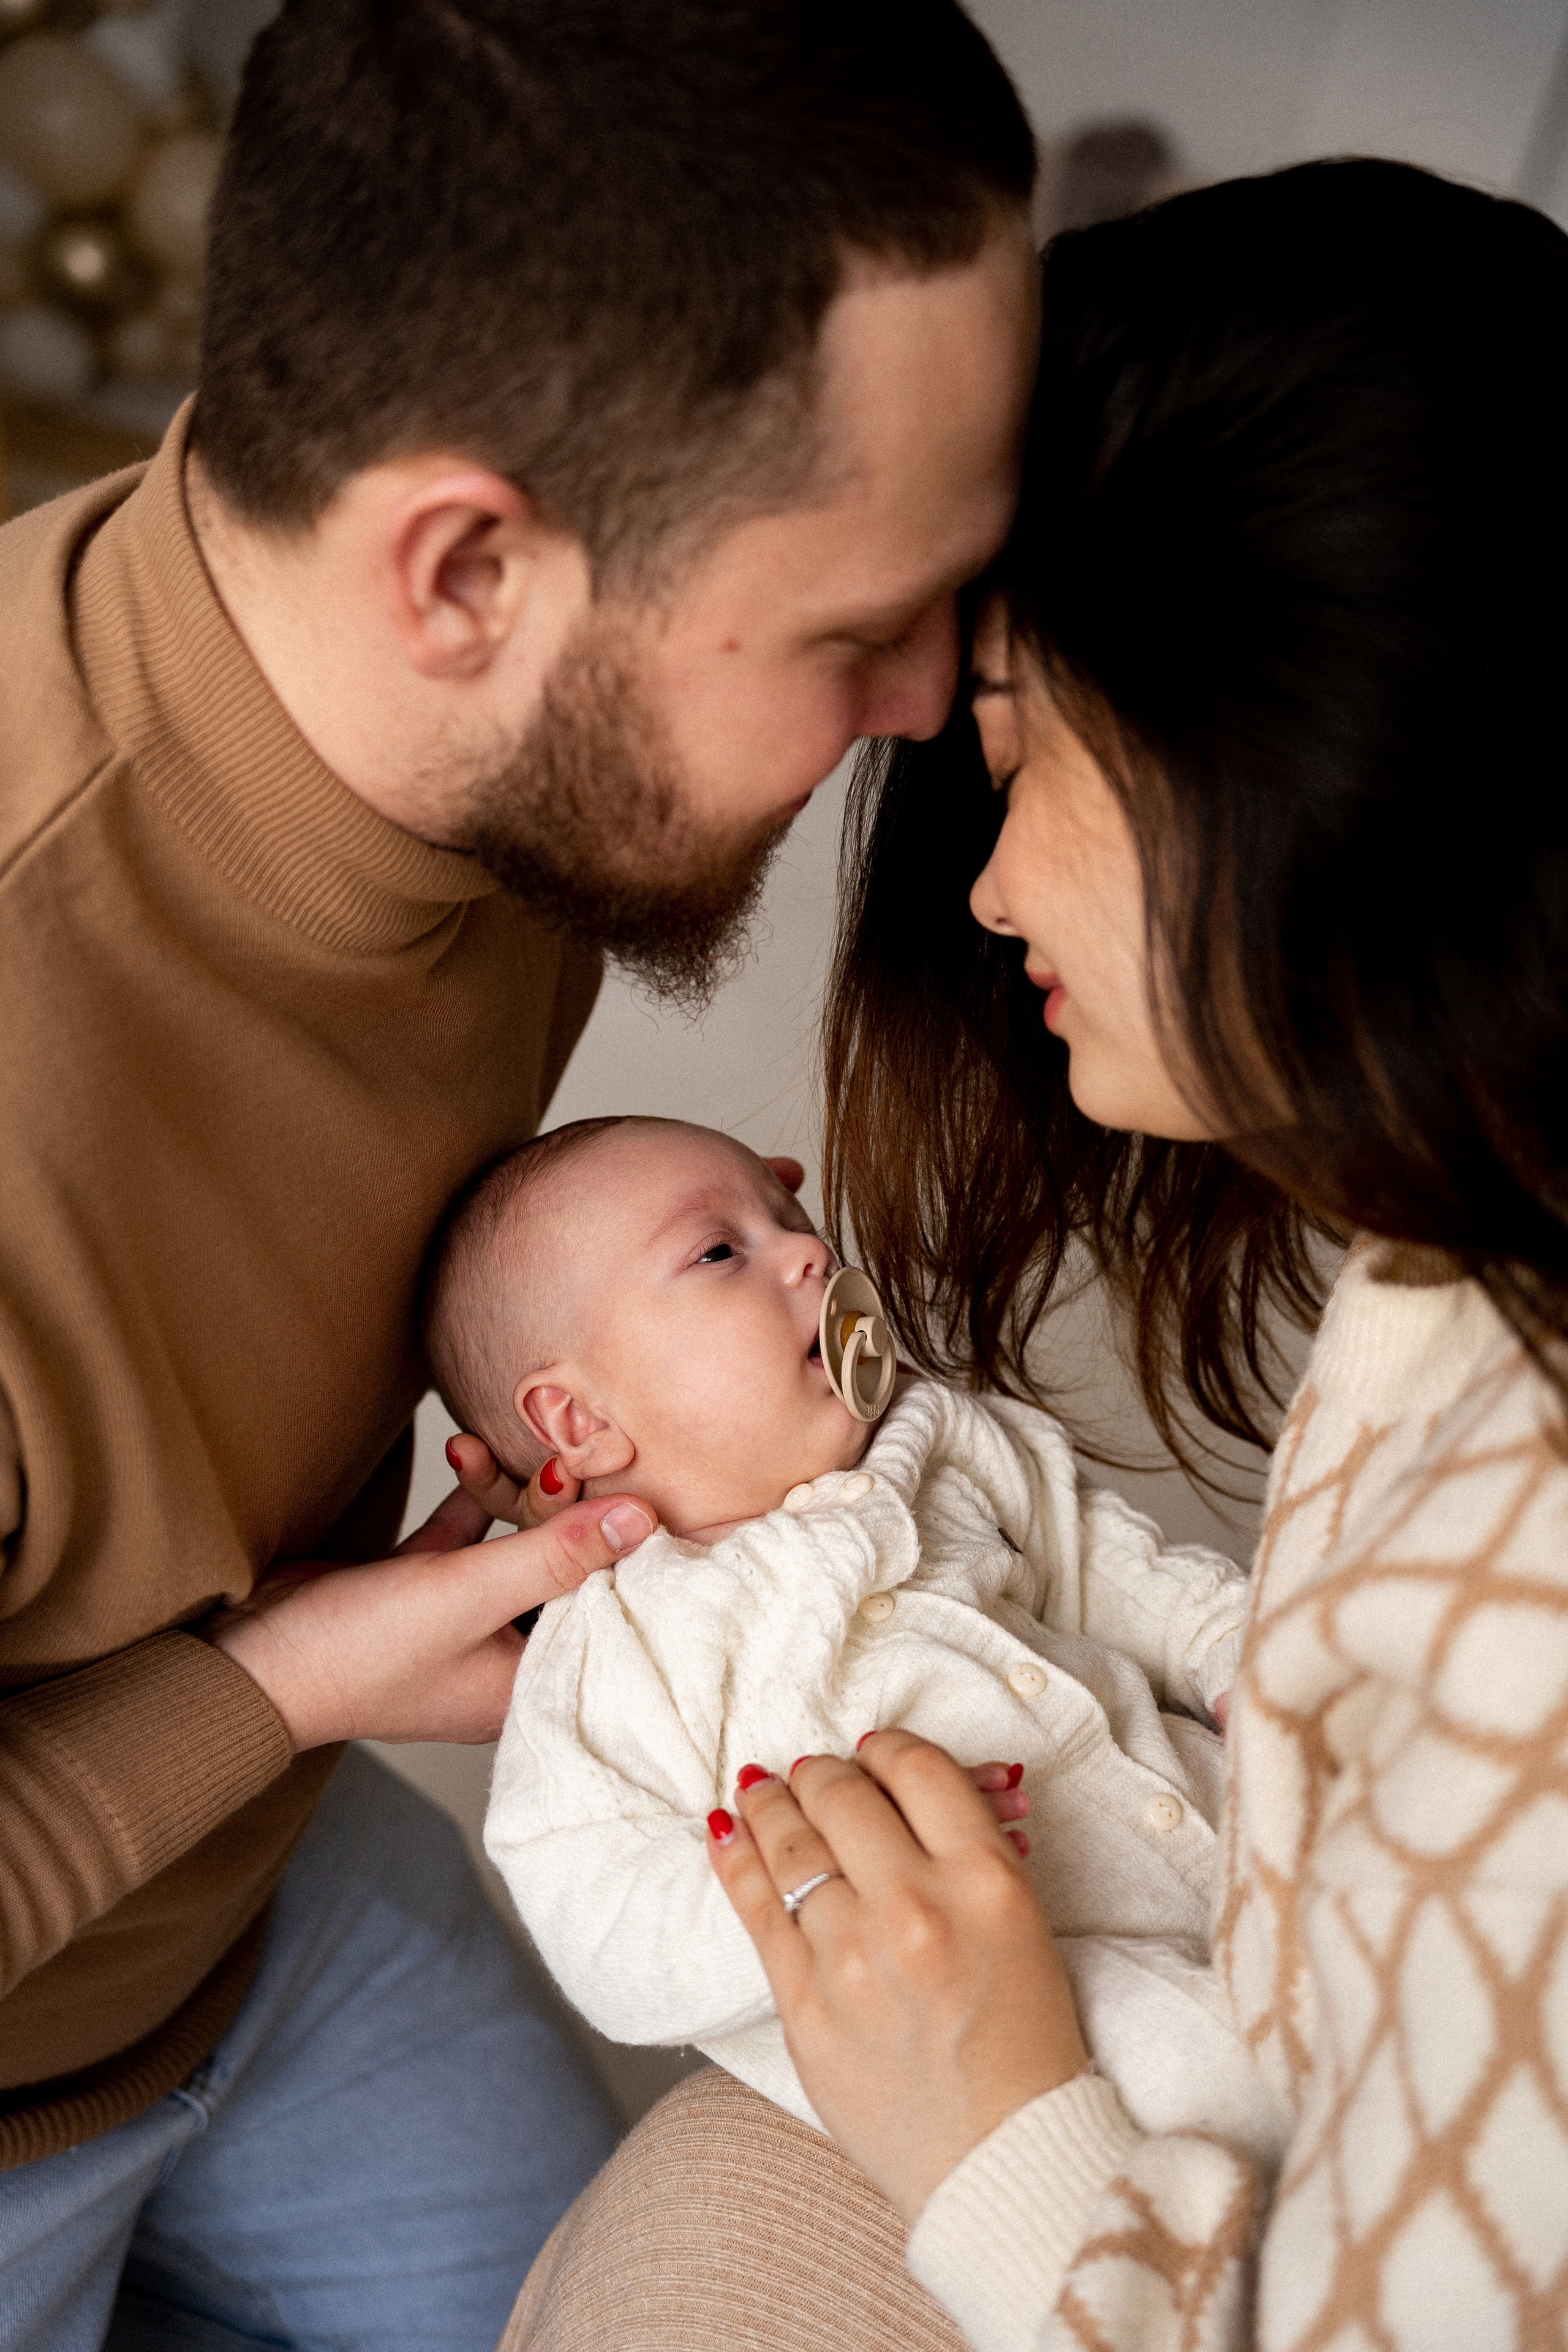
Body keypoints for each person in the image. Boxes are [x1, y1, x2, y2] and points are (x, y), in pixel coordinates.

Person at [0, 2, 1039, 2345]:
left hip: (261, 1912)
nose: (924, 707)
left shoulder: (449, 766)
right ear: (465, 572)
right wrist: (286, 1679)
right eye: (855, 632)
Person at [496, 160, 1568, 2351]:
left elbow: (1152, 1590)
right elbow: (593, 1889)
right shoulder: (1440, 1295)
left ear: (1274, 726)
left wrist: (994, 2123)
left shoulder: (1497, 1548)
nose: (983, 893)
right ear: (566, 1419)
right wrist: (785, 1929)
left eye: (1013, 746)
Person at [421, 1114, 1273, 2163]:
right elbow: (594, 1911)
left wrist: (1240, 1654)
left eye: (791, 1217)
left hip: (1233, 1809)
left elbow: (1107, 1561)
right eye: (720, 1251)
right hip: (1032, 1989)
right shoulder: (617, 1645)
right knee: (1214, 2074)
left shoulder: (933, 1438)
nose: (809, 1252)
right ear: (577, 1422)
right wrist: (807, 1887)